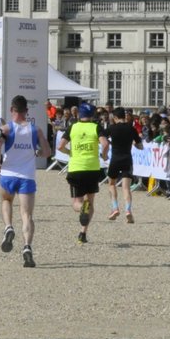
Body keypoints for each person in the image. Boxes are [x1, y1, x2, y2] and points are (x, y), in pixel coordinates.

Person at [0, 95, 51, 267]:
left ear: (12, 110)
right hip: (27, 176)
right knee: (27, 215)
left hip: (8, 174)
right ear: (27, 111)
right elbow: (47, 152)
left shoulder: (6, 129)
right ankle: (27, 246)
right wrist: (37, 153)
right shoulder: (36, 130)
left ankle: (8, 227)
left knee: (6, 201)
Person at [59, 102, 103, 245]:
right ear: (92, 115)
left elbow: (60, 146)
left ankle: (81, 209)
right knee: (90, 201)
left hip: (76, 168)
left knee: (77, 203)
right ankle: (83, 233)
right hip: (92, 167)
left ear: (79, 114)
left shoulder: (72, 127)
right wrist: (106, 154)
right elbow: (106, 143)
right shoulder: (96, 127)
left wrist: (69, 152)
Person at [101, 106, 138, 223]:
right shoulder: (131, 128)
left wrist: (104, 154)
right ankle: (128, 210)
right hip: (127, 159)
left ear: (115, 117)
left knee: (112, 184)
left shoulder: (112, 128)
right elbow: (140, 145)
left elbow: (103, 139)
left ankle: (115, 207)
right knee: (126, 188)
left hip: (115, 159)